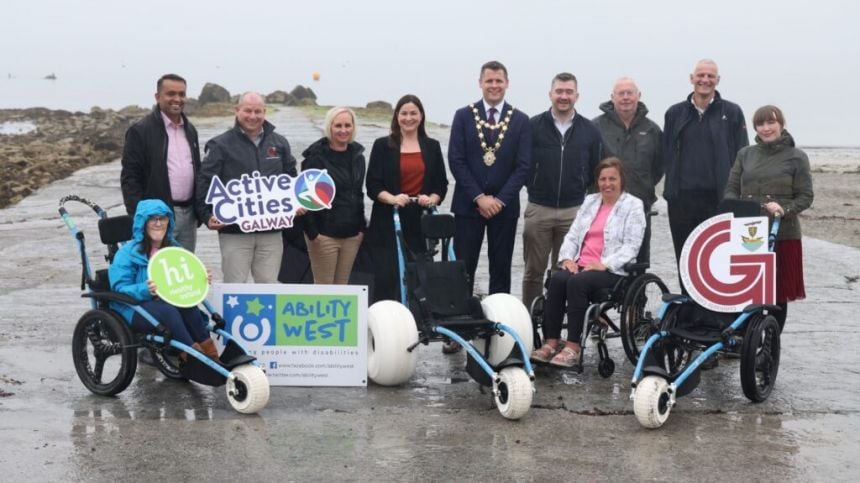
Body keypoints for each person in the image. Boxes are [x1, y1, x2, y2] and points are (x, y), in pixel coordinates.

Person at [530, 158, 645, 367]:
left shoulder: (633, 205)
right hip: (582, 265)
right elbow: (573, 236)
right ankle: (551, 342)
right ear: (597, 181)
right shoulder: (591, 201)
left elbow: (632, 245)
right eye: (603, 179)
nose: (607, 184)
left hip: (612, 271)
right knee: (557, 280)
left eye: (612, 179)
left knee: (576, 283)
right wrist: (567, 259)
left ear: (621, 181)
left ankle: (573, 346)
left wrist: (605, 263)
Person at [724, 105, 813, 331]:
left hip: (783, 233)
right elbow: (731, 189)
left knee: (777, 293)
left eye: (771, 122)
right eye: (761, 124)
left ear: (781, 124)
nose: (766, 128)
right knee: (745, 288)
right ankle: (744, 340)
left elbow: (806, 196)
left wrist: (784, 208)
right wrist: (739, 208)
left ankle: (770, 345)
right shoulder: (745, 154)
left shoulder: (797, 157)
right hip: (749, 233)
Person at [448, 60, 531, 296]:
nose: (494, 85)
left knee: (501, 267)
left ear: (507, 84)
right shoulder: (463, 116)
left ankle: (500, 319)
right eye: (489, 81)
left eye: (499, 81)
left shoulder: (520, 120)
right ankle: (459, 316)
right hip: (468, 205)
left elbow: (523, 166)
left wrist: (499, 200)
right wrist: (479, 197)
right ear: (480, 83)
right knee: (462, 267)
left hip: (504, 207)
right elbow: (456, 160)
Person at [196, 92, 297, 283]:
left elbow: (291, 179)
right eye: (247, 110)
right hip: (234, 231)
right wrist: (206, 215)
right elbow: (205, 181)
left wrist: (296, 203)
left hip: (271, 230)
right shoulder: (219, 145)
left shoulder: (280, 143)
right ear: (237, 111)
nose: (253, 116)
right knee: (235, 286)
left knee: (268, 285)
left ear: (264, 112)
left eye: (258, 111)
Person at [522, 72, 602, 311]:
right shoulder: (533, 126)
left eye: (569, 92)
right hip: (539, 208)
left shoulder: (590, 130)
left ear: (577, 96)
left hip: (574, 211)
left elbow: (595, 171)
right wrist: (535, 184)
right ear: (551, 94)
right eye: (559, 91)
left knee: (565, 272)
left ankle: (554, 325)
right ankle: (529, 321)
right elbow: (523, 164)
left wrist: (579, 191)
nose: (564, 96)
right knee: (533, 272)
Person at [108, 199, 218, 361]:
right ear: (143, 223)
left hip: (165, 303)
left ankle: (212, 355)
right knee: (168, 310)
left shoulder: (174, 249)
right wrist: (145, 289)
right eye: (152, 219)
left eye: (163, 218)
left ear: (169, 221)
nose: (158, 223)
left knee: (188, 306)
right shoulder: (126, 254)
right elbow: (120, 288)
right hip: (133, 308)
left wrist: (200, 276)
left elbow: (184, 276)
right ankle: (194, 358)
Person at [663, 59, 748, 265]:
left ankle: (718, 298)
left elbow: (743, 155)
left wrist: (738, 194)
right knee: (686, 258)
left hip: (719, 198)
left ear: (718, 80)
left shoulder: (732, 112)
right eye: (701, 75)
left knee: (718, 259)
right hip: (681, 200)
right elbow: (665, 152)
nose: (705, 80)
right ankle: (687, 298)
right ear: (692, 78)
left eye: (710, 76)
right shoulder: (675, 113)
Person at [364, 94, 448, 302]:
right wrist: (392, 198)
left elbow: (441, 184)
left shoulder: (432, 146)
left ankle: (419, 320)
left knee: (419, 273)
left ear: (421, 116)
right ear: (396, 116)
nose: (408, 118)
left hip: (420, 220)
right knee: (387, 275)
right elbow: (372, 185)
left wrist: (432, 199)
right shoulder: (382, 145)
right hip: (387, 219)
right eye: (404, 113)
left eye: (413, 113)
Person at [121, 73, 201, 252]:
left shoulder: (190, 130)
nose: (177, 99)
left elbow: (198, 171)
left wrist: (201, 211)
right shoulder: (140, 131)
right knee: (157, 272)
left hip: (188, 215)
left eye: (181, 94)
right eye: (171, 94)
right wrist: (140, 217)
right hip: (157, 217)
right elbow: (130, 180)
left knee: (184, 269)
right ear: (158, 97)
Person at [593, 77, 663, 265]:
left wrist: (643, 186)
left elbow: (658, 168)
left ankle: (639, 295)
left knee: (637, 264)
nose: (625, 98)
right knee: (603, 263)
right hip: (604, 208)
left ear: (638, 96)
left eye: (629, 93)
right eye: (621, 93)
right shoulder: (595, 127)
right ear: (612, 97)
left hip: (640, 207)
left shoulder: (652, 130)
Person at [301, 107, 367, 284]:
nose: (343, 130)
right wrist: (314, 234)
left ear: (354, 127)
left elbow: (358, 194)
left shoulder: (358, 157)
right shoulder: (315, 158)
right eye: (338, 125)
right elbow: (304, 199)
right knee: (324, 291)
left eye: (347, 125)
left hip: (352, 235)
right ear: (329, 127)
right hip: (325, 235)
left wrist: (361, 229)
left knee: (342, 289)